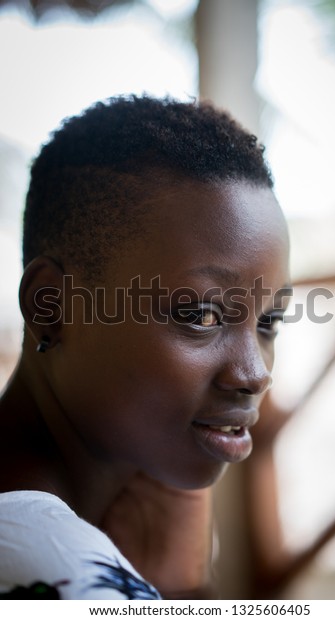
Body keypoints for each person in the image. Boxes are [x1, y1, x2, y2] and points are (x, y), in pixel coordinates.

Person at [0, 95, 290, 600]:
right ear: (50, 308)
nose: (255, 374)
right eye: (200, 315)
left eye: (268, 323)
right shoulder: (48, 563)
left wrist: (170, 588)